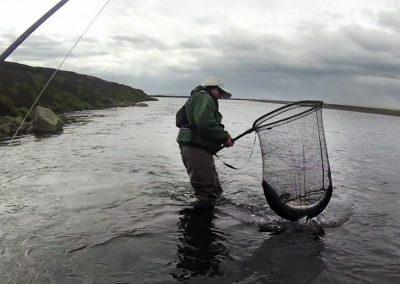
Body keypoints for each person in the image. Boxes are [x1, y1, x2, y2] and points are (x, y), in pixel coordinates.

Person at [176, 78, 234, 201]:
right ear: (212, 88)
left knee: (213, 189)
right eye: (220, 92)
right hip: (194, 146)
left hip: (195, 145)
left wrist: (223, 137)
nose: (222, 96)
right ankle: (201, 218)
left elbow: (205, 124)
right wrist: (224, 137)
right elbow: (205, 123)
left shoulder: (200, 97)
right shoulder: (204, 97)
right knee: (207, 192)